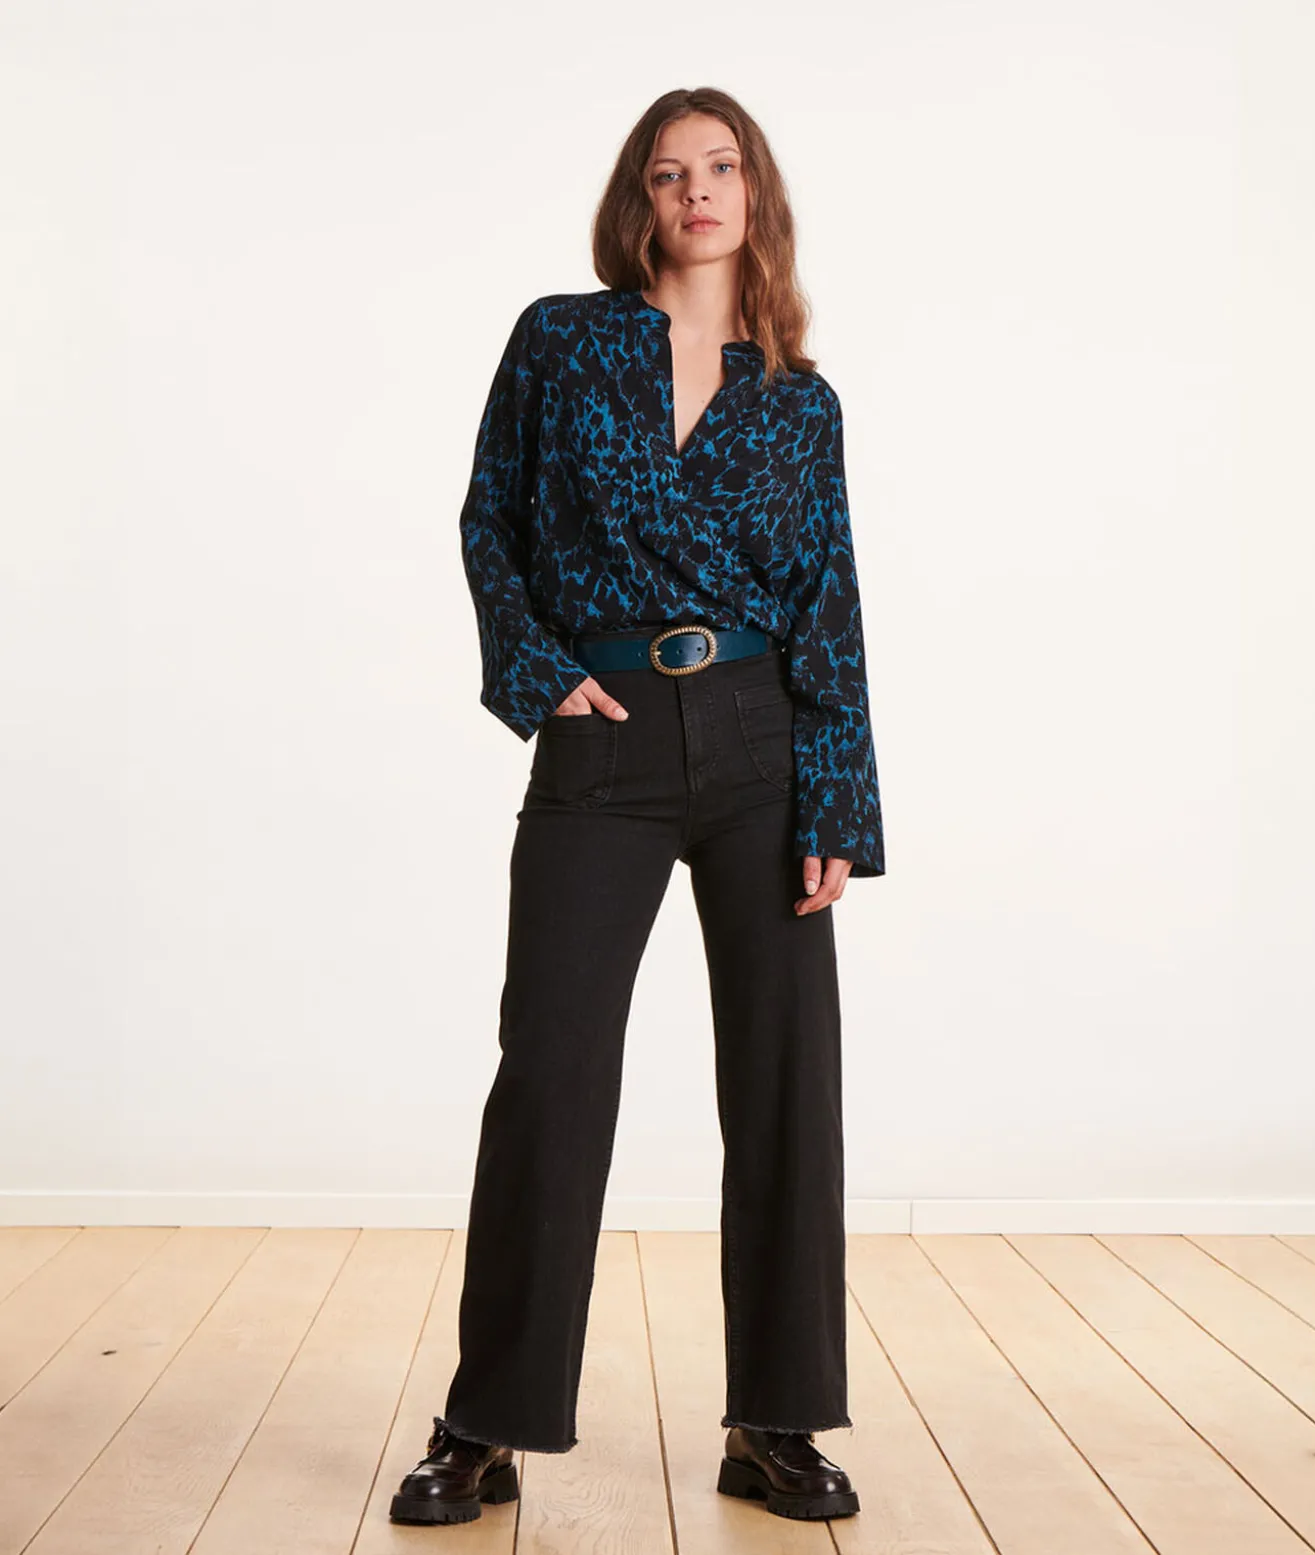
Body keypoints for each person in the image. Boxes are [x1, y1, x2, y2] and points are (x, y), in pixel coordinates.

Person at [389, 85, 884, 1529]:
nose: (697, 192)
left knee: (786, 1082)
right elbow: (490, 518)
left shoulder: (798, 399)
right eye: (670, 174)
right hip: (599, 735)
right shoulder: (561, 340)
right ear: (639, 201)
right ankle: (488, 1419)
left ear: (755, 193)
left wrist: (838, 802)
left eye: (721, 168)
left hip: (760, 739)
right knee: (550, 1072)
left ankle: (776, 1419)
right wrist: (537, 673)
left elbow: (829, 600)